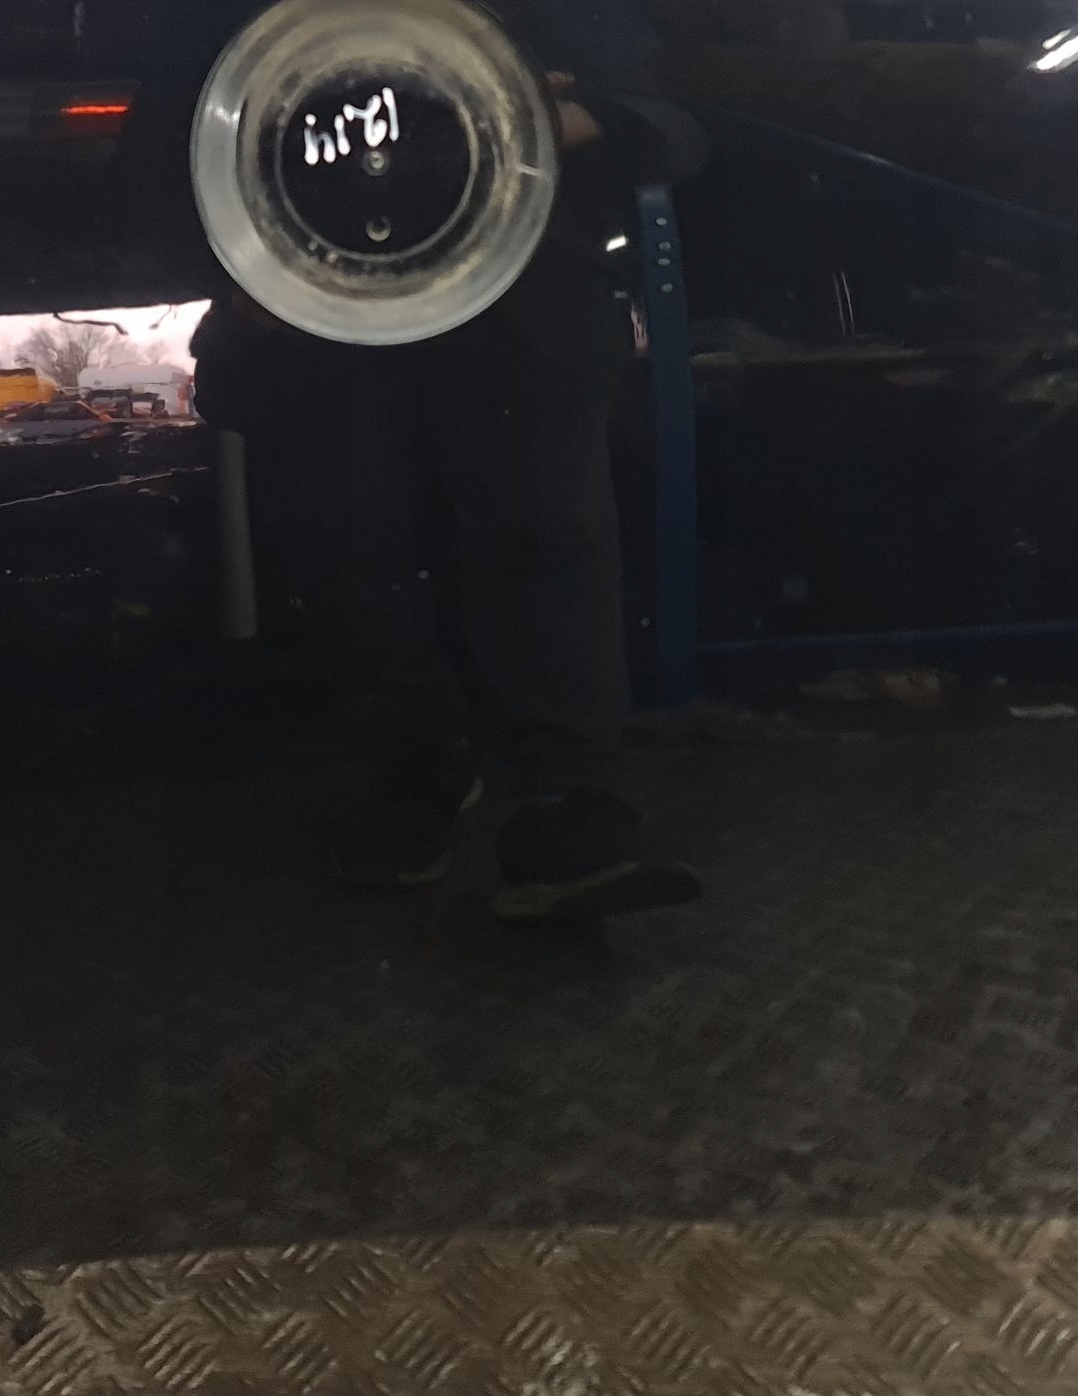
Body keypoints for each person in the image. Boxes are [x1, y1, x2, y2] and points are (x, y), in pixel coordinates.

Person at [192, 58, 704, 924]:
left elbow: (677, 110)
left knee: (545, 537)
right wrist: (239, 263)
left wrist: (592, 115)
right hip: (318, 306)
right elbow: (177, 125)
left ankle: (563, 806)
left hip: (521, 303)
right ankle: (418, 772)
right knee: (353, 550)